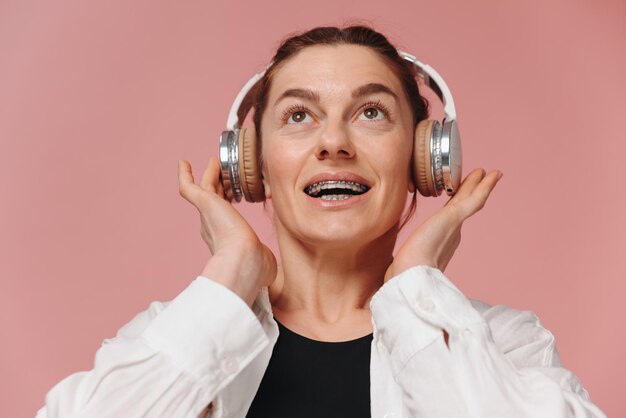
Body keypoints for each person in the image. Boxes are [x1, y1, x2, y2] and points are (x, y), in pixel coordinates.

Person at [36, 25, 606, 418]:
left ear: (423, 157)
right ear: (253, 166)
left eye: (371, 112)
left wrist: (415, 287)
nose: (333, 142)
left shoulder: (501, 345)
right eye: (299, 115)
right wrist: (231, 276)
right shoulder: (177, 333)